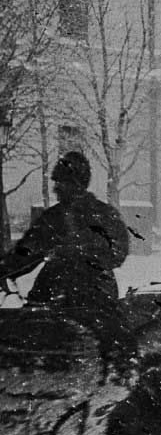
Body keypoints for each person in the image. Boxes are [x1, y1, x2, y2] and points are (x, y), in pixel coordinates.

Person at [0, 151, 132, 372]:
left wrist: (79, 253)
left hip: (74, 289)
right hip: (79, 290)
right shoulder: (95, 214)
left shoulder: (69, 216)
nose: (56, 187)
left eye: (61, 182)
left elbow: (118, 251)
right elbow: (26, 253)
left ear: (76, 183)